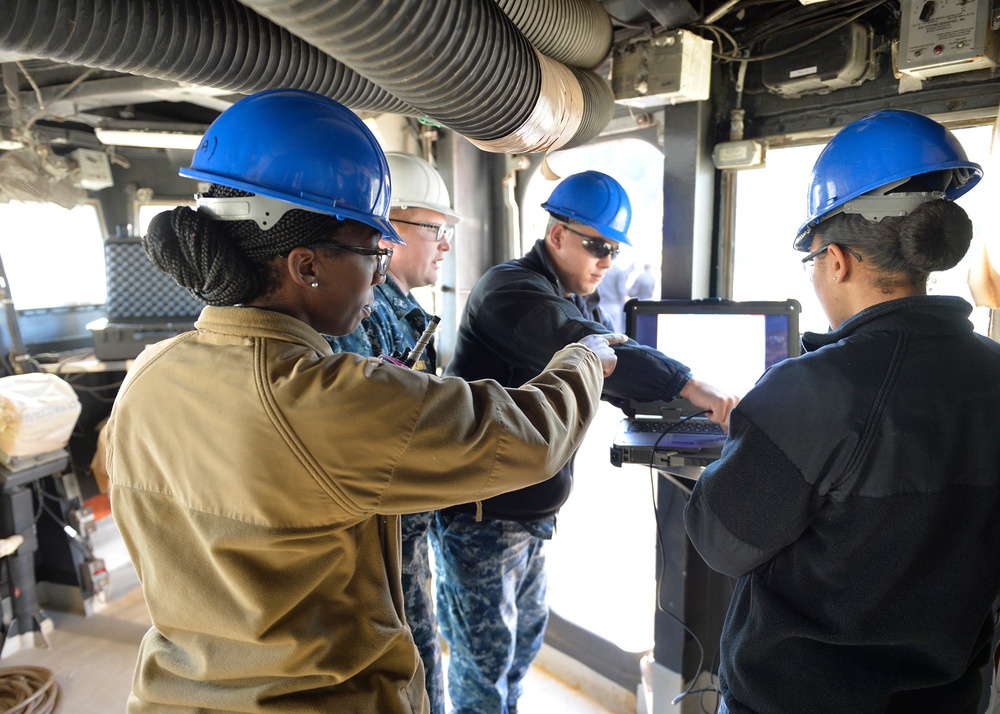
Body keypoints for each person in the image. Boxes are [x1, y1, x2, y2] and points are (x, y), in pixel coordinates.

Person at [103, 88, 625, 714]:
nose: (382, 273)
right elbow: (531, 438)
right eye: (372, 251)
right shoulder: (326, 397)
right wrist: (586, 358)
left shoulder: (148, 373)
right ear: (306, 265)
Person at [683, 109, 1000, 714]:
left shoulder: (810, 389)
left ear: (837, 260)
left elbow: (721, 542)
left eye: (813, 262)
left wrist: (745, 442)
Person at [436, 169, 739, 714]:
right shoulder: (514, 292)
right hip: (480, 516)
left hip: (526, 514)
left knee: (520, 645)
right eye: (597, 245)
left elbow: (609, 380)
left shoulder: (575, 295)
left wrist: (701, 410)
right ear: (556, 236)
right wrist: (689, 384)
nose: (607, 260)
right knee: (482, 665)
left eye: (614, 249)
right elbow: (589, 351)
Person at [325, 151, 460, 714]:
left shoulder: (396, 309)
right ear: (389, 228)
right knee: (407, 670)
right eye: (436, 229)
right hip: (379, 547)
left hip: (405, 532)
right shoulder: (360, 312)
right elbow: (364, 435)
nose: (445, 246)